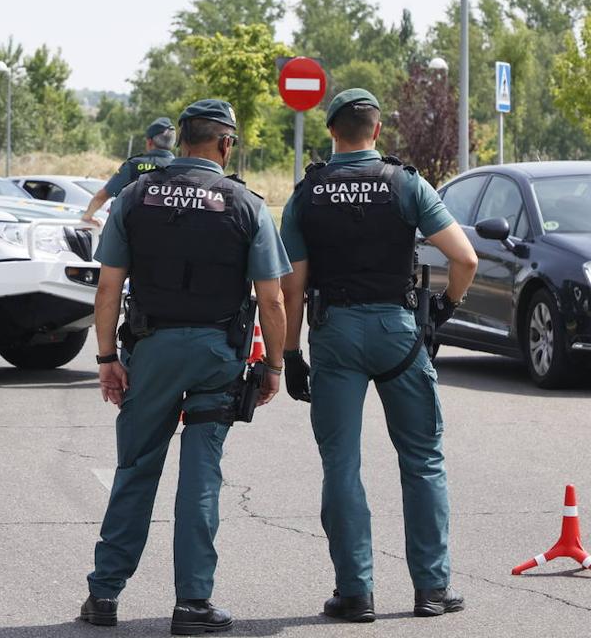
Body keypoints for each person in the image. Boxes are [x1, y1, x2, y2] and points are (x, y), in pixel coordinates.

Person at [81, 100, 290, 635]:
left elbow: (108, 288)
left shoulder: (134, 196)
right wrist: (273, 367)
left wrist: (107, 358)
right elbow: (272, 300)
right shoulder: (246, 205)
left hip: (150, 352)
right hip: (217, 357)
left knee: (135, 471)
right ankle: (193, 604)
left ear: (179, 140)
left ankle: (104, 597)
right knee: (201, 478)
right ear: (225, 144)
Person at [278, 88, 479, 622]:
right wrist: (445, 309)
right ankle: (432, 590)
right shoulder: (406, 183)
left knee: (341, 464)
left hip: (335, 334)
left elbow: (290, 289)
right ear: (378, 129)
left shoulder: (306, 193)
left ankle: (355, 593)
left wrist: (290, 354)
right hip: (399, 332)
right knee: (422, 459)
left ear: (331, 132)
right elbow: (465, 258)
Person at [80, 117, 176, 224]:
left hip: (134, 233)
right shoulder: (180, 168)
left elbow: (103, 195)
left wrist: (87, 217)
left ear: (149, 142)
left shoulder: (133, 165)